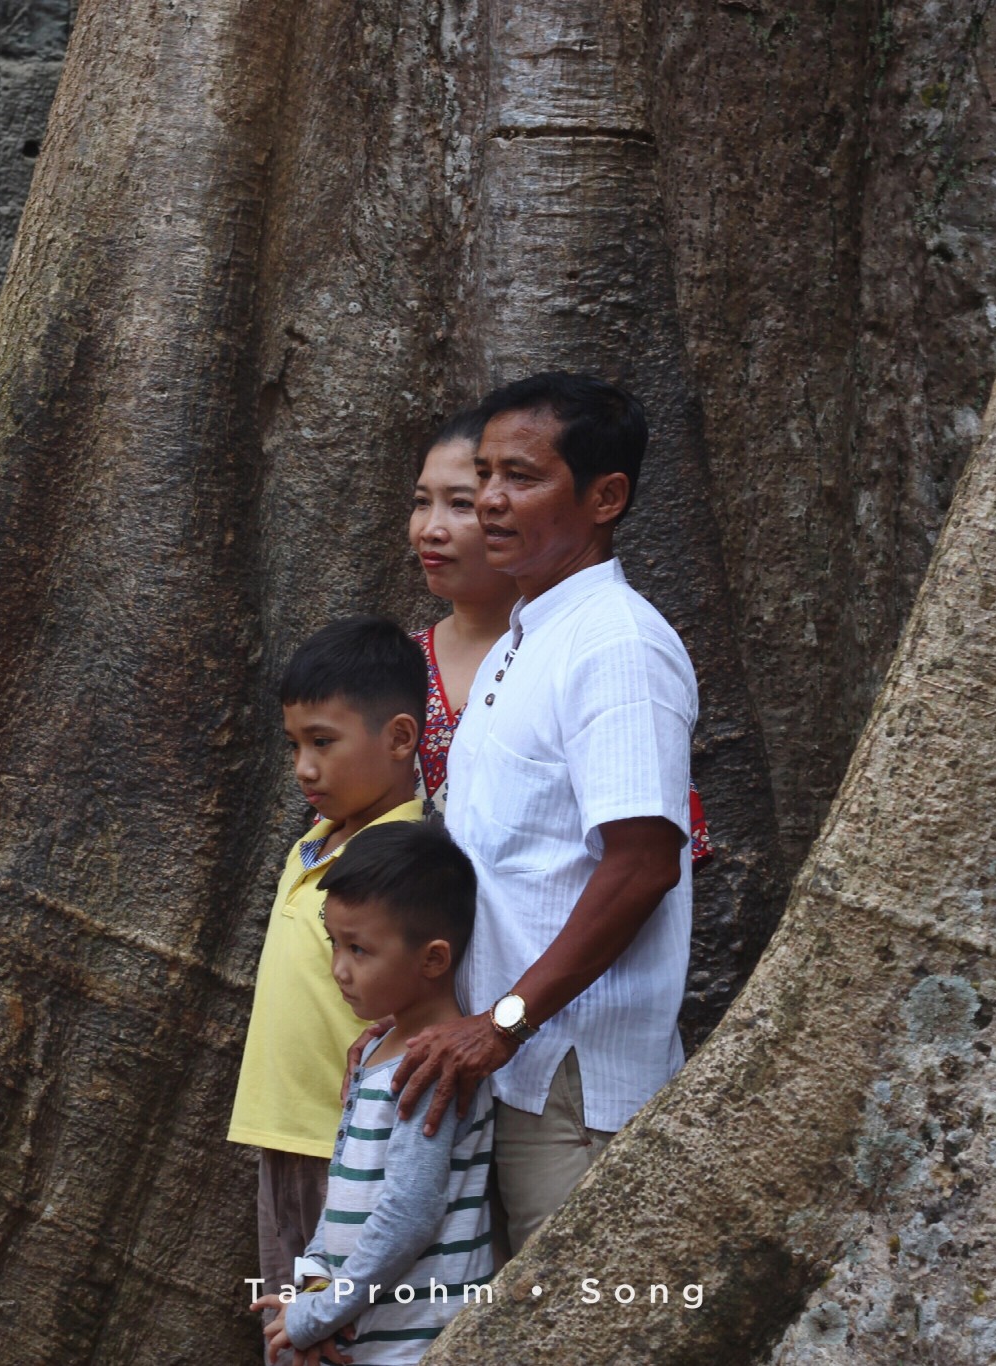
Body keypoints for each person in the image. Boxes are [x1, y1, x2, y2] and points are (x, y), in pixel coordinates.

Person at [392, 372, 697, 1257]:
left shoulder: (618, 644)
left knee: (578, 1317)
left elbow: (642, 863)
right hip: (508, 1071)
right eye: (483, 473)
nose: (489, 500)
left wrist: (504, 1023)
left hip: (573, 1078)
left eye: (520, 478)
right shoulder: (523, 639)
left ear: (606, 498)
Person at [228, 617, 430, 1354]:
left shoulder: (408, 861)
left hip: (352, 1153)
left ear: (401, 738)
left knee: (348, 1338)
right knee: (291, 1337)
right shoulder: (313, 844)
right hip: (280, 1140)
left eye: (323, 741)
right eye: (294, 746)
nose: (304, 768)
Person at [408, 409, 712, 860]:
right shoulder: (394, 663)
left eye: (460, 503)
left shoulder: (598, 652)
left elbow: (644, 858)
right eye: (420, 502)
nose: (431, 529)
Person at [251, 822, 494, 1366]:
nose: (339, 967)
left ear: (434, 959)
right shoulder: (377, 1050)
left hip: (412, 1345)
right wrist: (314, 1303)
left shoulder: (432, 1067)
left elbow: (409, 1212)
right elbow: (341, 1205)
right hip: (360, 1338)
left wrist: (317, 1315)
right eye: (334, 941)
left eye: (359, 949)